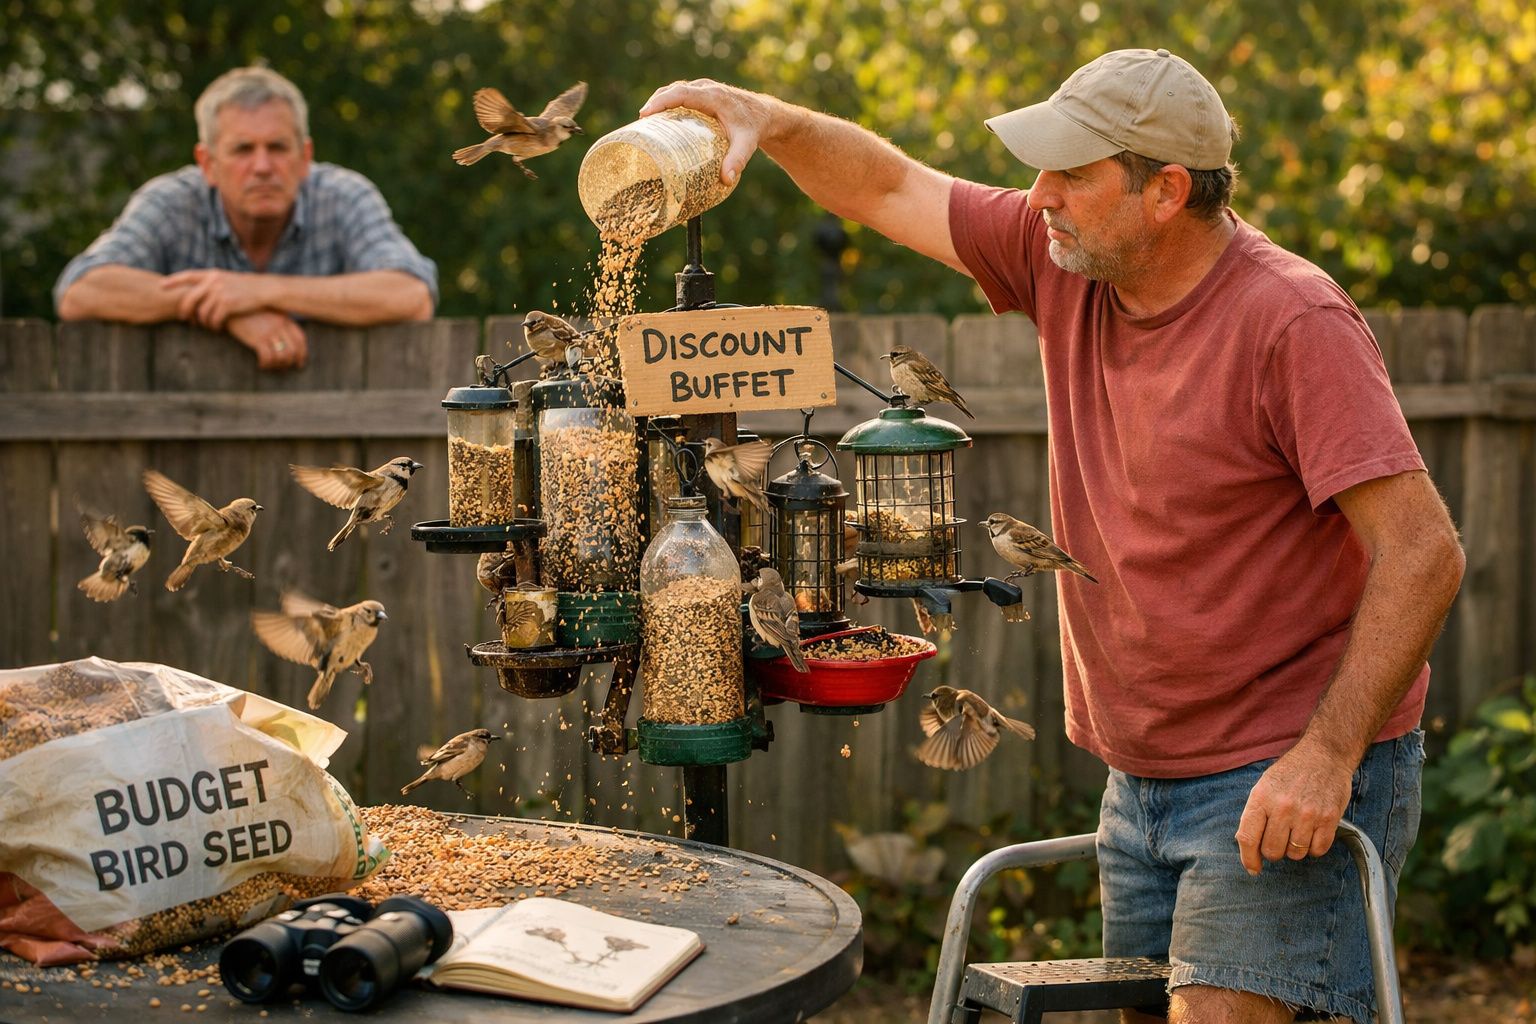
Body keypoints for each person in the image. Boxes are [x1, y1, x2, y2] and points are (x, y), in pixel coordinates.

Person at [642, 48, 1464, 1024]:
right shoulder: (1063, 262)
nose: (1039, 195)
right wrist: (764, 117)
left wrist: (1326, 757)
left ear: (1164, 190)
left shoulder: (1292, 322)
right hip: (1143, 777)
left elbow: (1425, 552)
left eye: (1070, 173)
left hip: (1286, 764)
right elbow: (892, 185)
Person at [54, 67, 438, 371]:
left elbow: (411, 295)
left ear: (304, 157)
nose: (262, 166)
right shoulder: (171, 202)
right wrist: (230, 312)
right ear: (207, 163)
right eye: (242, 149)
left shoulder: (345, 196)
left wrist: (259, 291)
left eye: (277, 147)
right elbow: (81, 291)